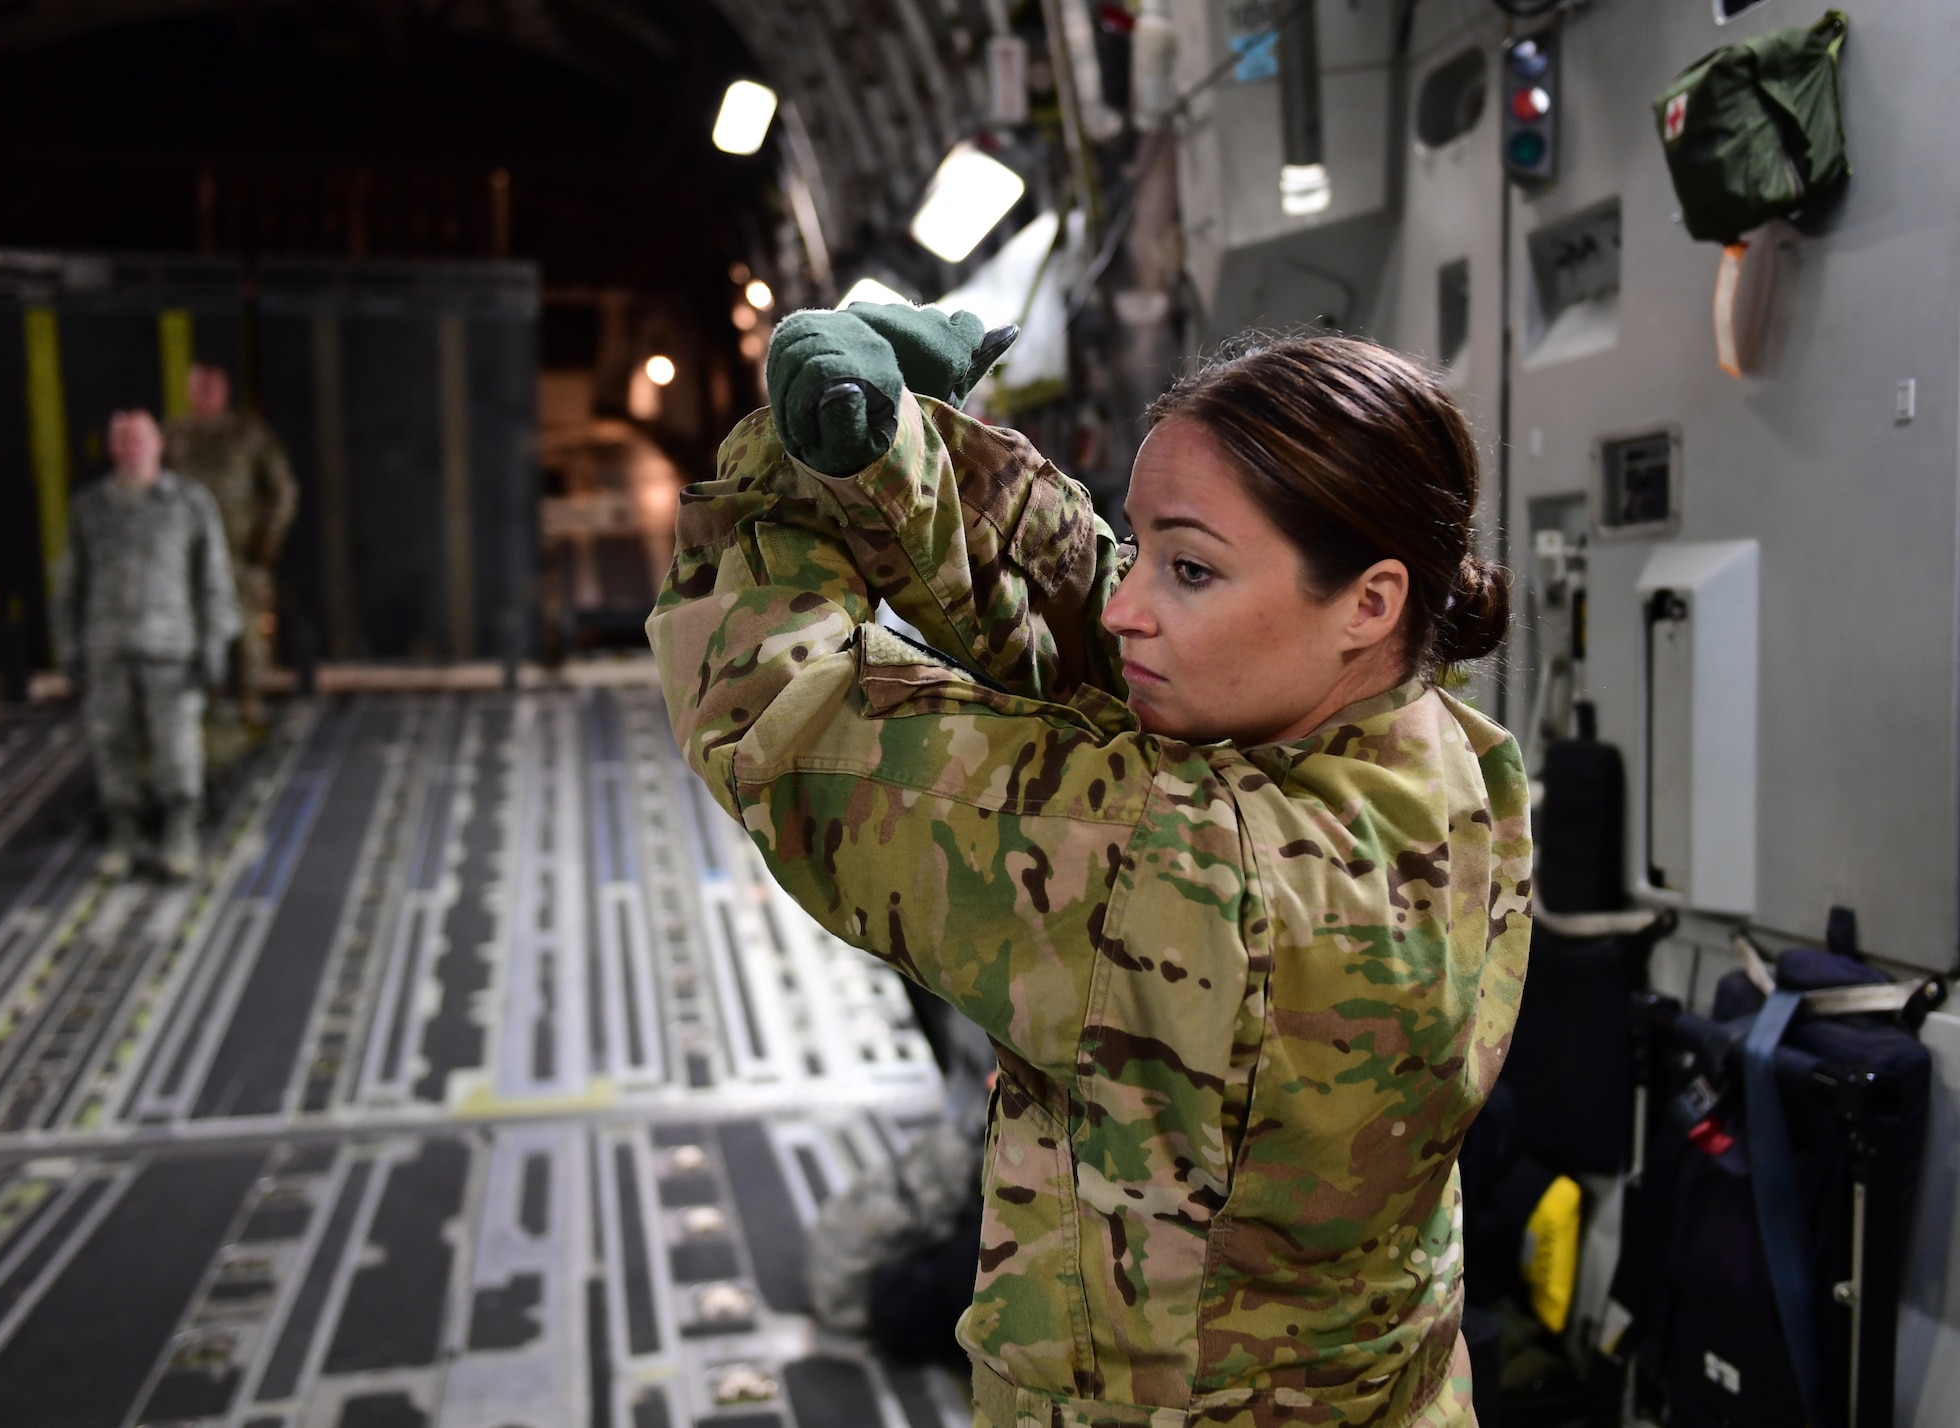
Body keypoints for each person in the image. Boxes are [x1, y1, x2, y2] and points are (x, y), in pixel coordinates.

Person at [650, 307, 1531, 1428]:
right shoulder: (1454, 765)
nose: (1129, 606)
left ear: (1369, 601)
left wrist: (782, 460)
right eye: (1144, 547)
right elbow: (1097, 616)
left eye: (1190, 570)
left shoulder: (1169, 869)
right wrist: (900, 455)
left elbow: (776, 712)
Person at [53, 410, 240, 879]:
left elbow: (214, 579)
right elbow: (70, 583)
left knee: (176, 749)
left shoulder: (188, 503)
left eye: (139, 440)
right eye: (122, 441)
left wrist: (216, 642)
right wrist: (68, 645)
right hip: (108, 649)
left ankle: (180, 833)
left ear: (158, 444)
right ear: (113, 448)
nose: (131, 449)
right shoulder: (90, 507)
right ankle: (124, 834)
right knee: (111, 745)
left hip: (171, 650)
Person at [163, 362, 298, 726]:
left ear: (225, 391)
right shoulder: (174, 435)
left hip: (239, 551)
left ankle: (250, 703)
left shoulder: (247, 433)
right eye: (199, 387)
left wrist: (267, 539)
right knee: (192, 630)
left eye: (212, 387)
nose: (206, 395)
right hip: (187, 553)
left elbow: (283, 489)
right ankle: (202, 705)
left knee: (248, 630)